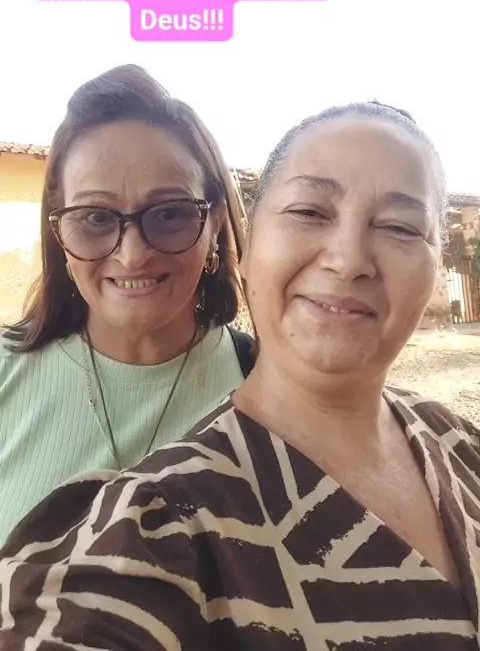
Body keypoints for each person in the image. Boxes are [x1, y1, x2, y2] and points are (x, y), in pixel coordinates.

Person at [1, 101, 479, 650]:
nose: (348, 261)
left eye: (399, 227)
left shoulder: (458, 442)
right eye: (309, 212)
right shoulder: (157, 524)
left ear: (219, 228)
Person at [0, 64, 255, 545]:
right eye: (95, 217)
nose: (133, 254)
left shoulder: (269, 394)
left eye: (170, 213)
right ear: (59, 231)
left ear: (216, 222)